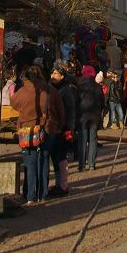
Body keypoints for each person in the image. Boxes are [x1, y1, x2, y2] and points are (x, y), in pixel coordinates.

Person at [11, 65, 64, 205]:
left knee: (30, 162)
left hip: (27, 129)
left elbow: (13, 103)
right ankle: (43, 193)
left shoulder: (22, 91)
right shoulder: (51, 90)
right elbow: (60, 110)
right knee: (44, 159)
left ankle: (29, 195)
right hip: (47, 128)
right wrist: (59, 126)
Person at [50, 61, 78, 195]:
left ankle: (63, 185)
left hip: (63, 127)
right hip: (54, 127)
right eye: (52, 72)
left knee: (61, 156)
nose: (52, 75)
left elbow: (71, 109)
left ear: (61, 76)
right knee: (55, 156)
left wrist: (70, 127)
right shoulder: (52, 87)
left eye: (55, 73)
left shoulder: (66, 89)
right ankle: (57, 183)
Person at [76, 65, 103, 171]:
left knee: (82, 140)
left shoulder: (79, 86)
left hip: (82, 115)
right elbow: (102, 103)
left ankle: (81, 164)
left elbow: (76, 101)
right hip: (94, 116)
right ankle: (92, 163)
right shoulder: (98, 86)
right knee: (93, 140)